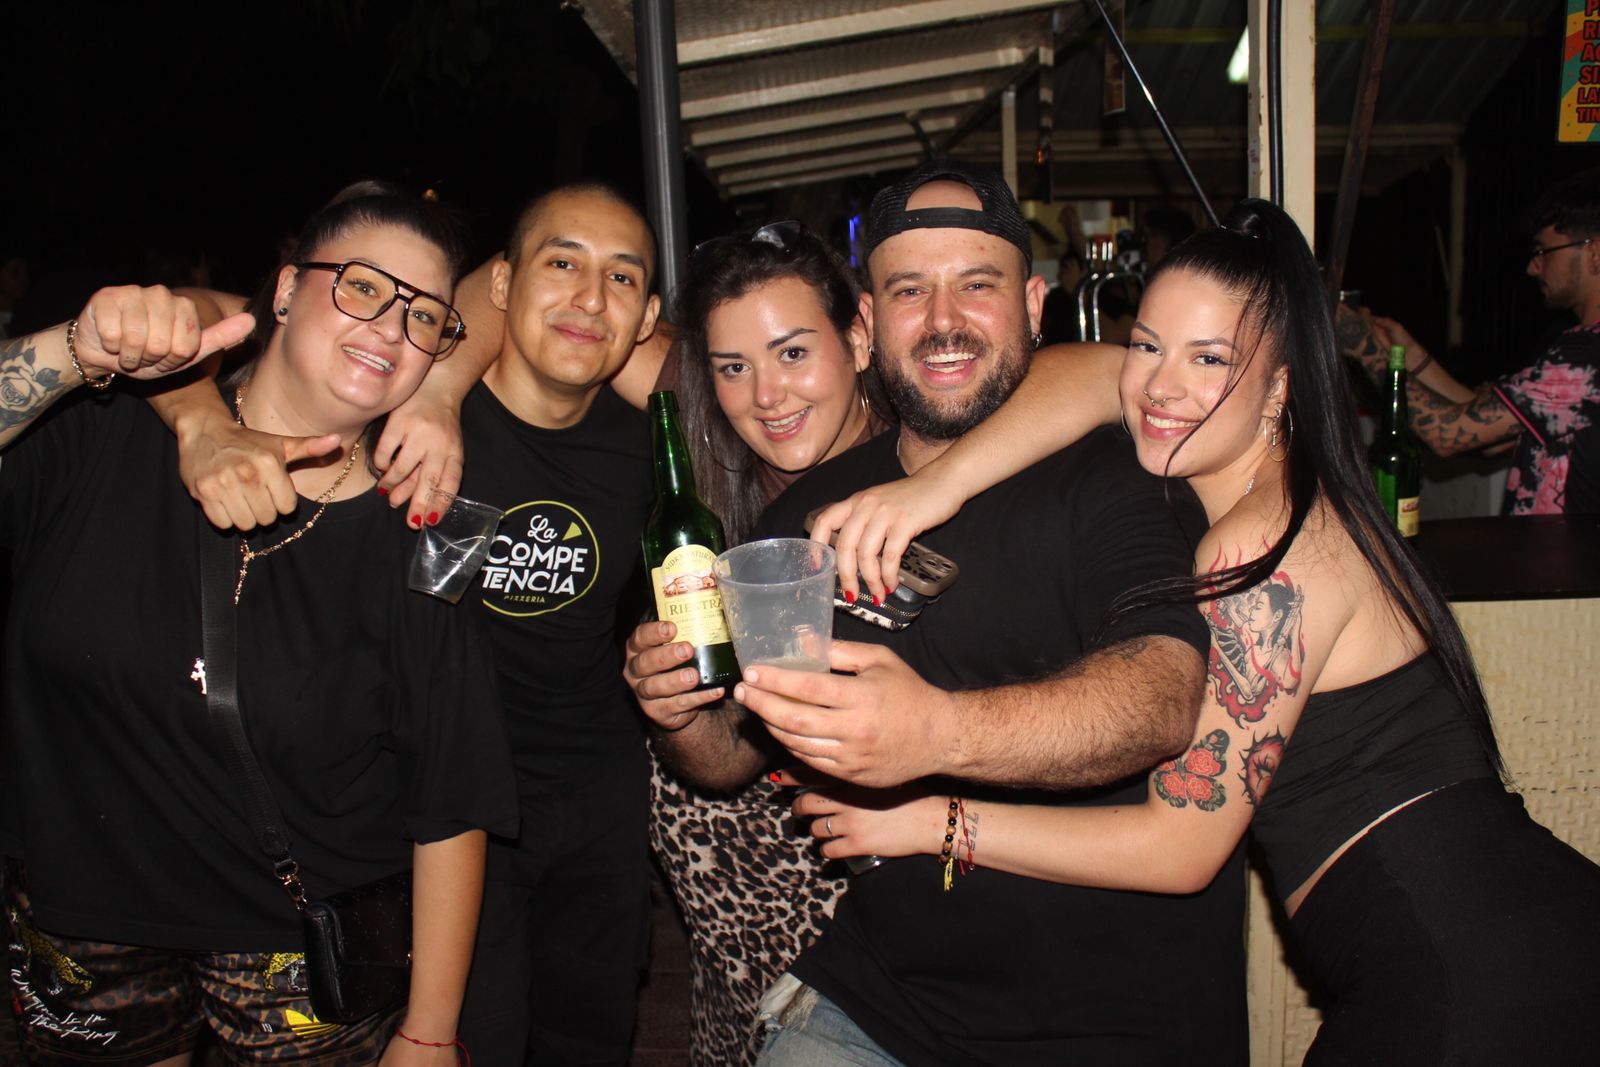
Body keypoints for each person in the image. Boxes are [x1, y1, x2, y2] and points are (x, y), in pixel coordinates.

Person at [802, 198, 1600, 1065]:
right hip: (1488, 942)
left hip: (1473, 974)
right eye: (1148, 344)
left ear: (1281, 385)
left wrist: (933, 821)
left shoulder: (1262, 546)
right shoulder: (1276, 485)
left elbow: (1178, 846)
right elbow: (1081, 378)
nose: (1161, 386)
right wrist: (936, 488)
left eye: (1209, 358)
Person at [627, 159, 1246, 1066]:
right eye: (910, 290)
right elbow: (729, 753)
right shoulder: (809, 517)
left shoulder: (1120, 476)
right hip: (886, 1000)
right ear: (871, 323)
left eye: (977, 285)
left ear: (1035, 307)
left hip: (1112, 1016)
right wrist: (675, 708)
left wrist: (939, 732)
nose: (945, 319)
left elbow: (1161, 698)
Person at [0, 186, 519, 1063]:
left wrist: (430, 1032)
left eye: (425, 315)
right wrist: (76, 350)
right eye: (361, 286)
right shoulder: (109, 430)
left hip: (299, 949)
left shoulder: (429, 527)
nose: (391, 327)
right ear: (282, 291)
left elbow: (451, 793)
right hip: (82, 917)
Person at [631, 221, 883, 1067]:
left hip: (859, 917)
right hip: (725, 936)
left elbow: (1094, 376)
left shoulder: (922, 467)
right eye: (733, 366)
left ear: (860, 337)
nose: (765, 393)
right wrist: (667, 701)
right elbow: (719, 757)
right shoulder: (715, 487)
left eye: (792, 352)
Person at [1335, 168, 1600, 514]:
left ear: (1594, 252)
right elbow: (1482, 427)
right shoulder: (1580, 353)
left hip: (1571, 565)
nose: (1533, 268)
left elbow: (1448, 435)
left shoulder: (1583, 361)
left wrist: (1361, 342)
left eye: (1544, 251)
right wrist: (1412, 358)